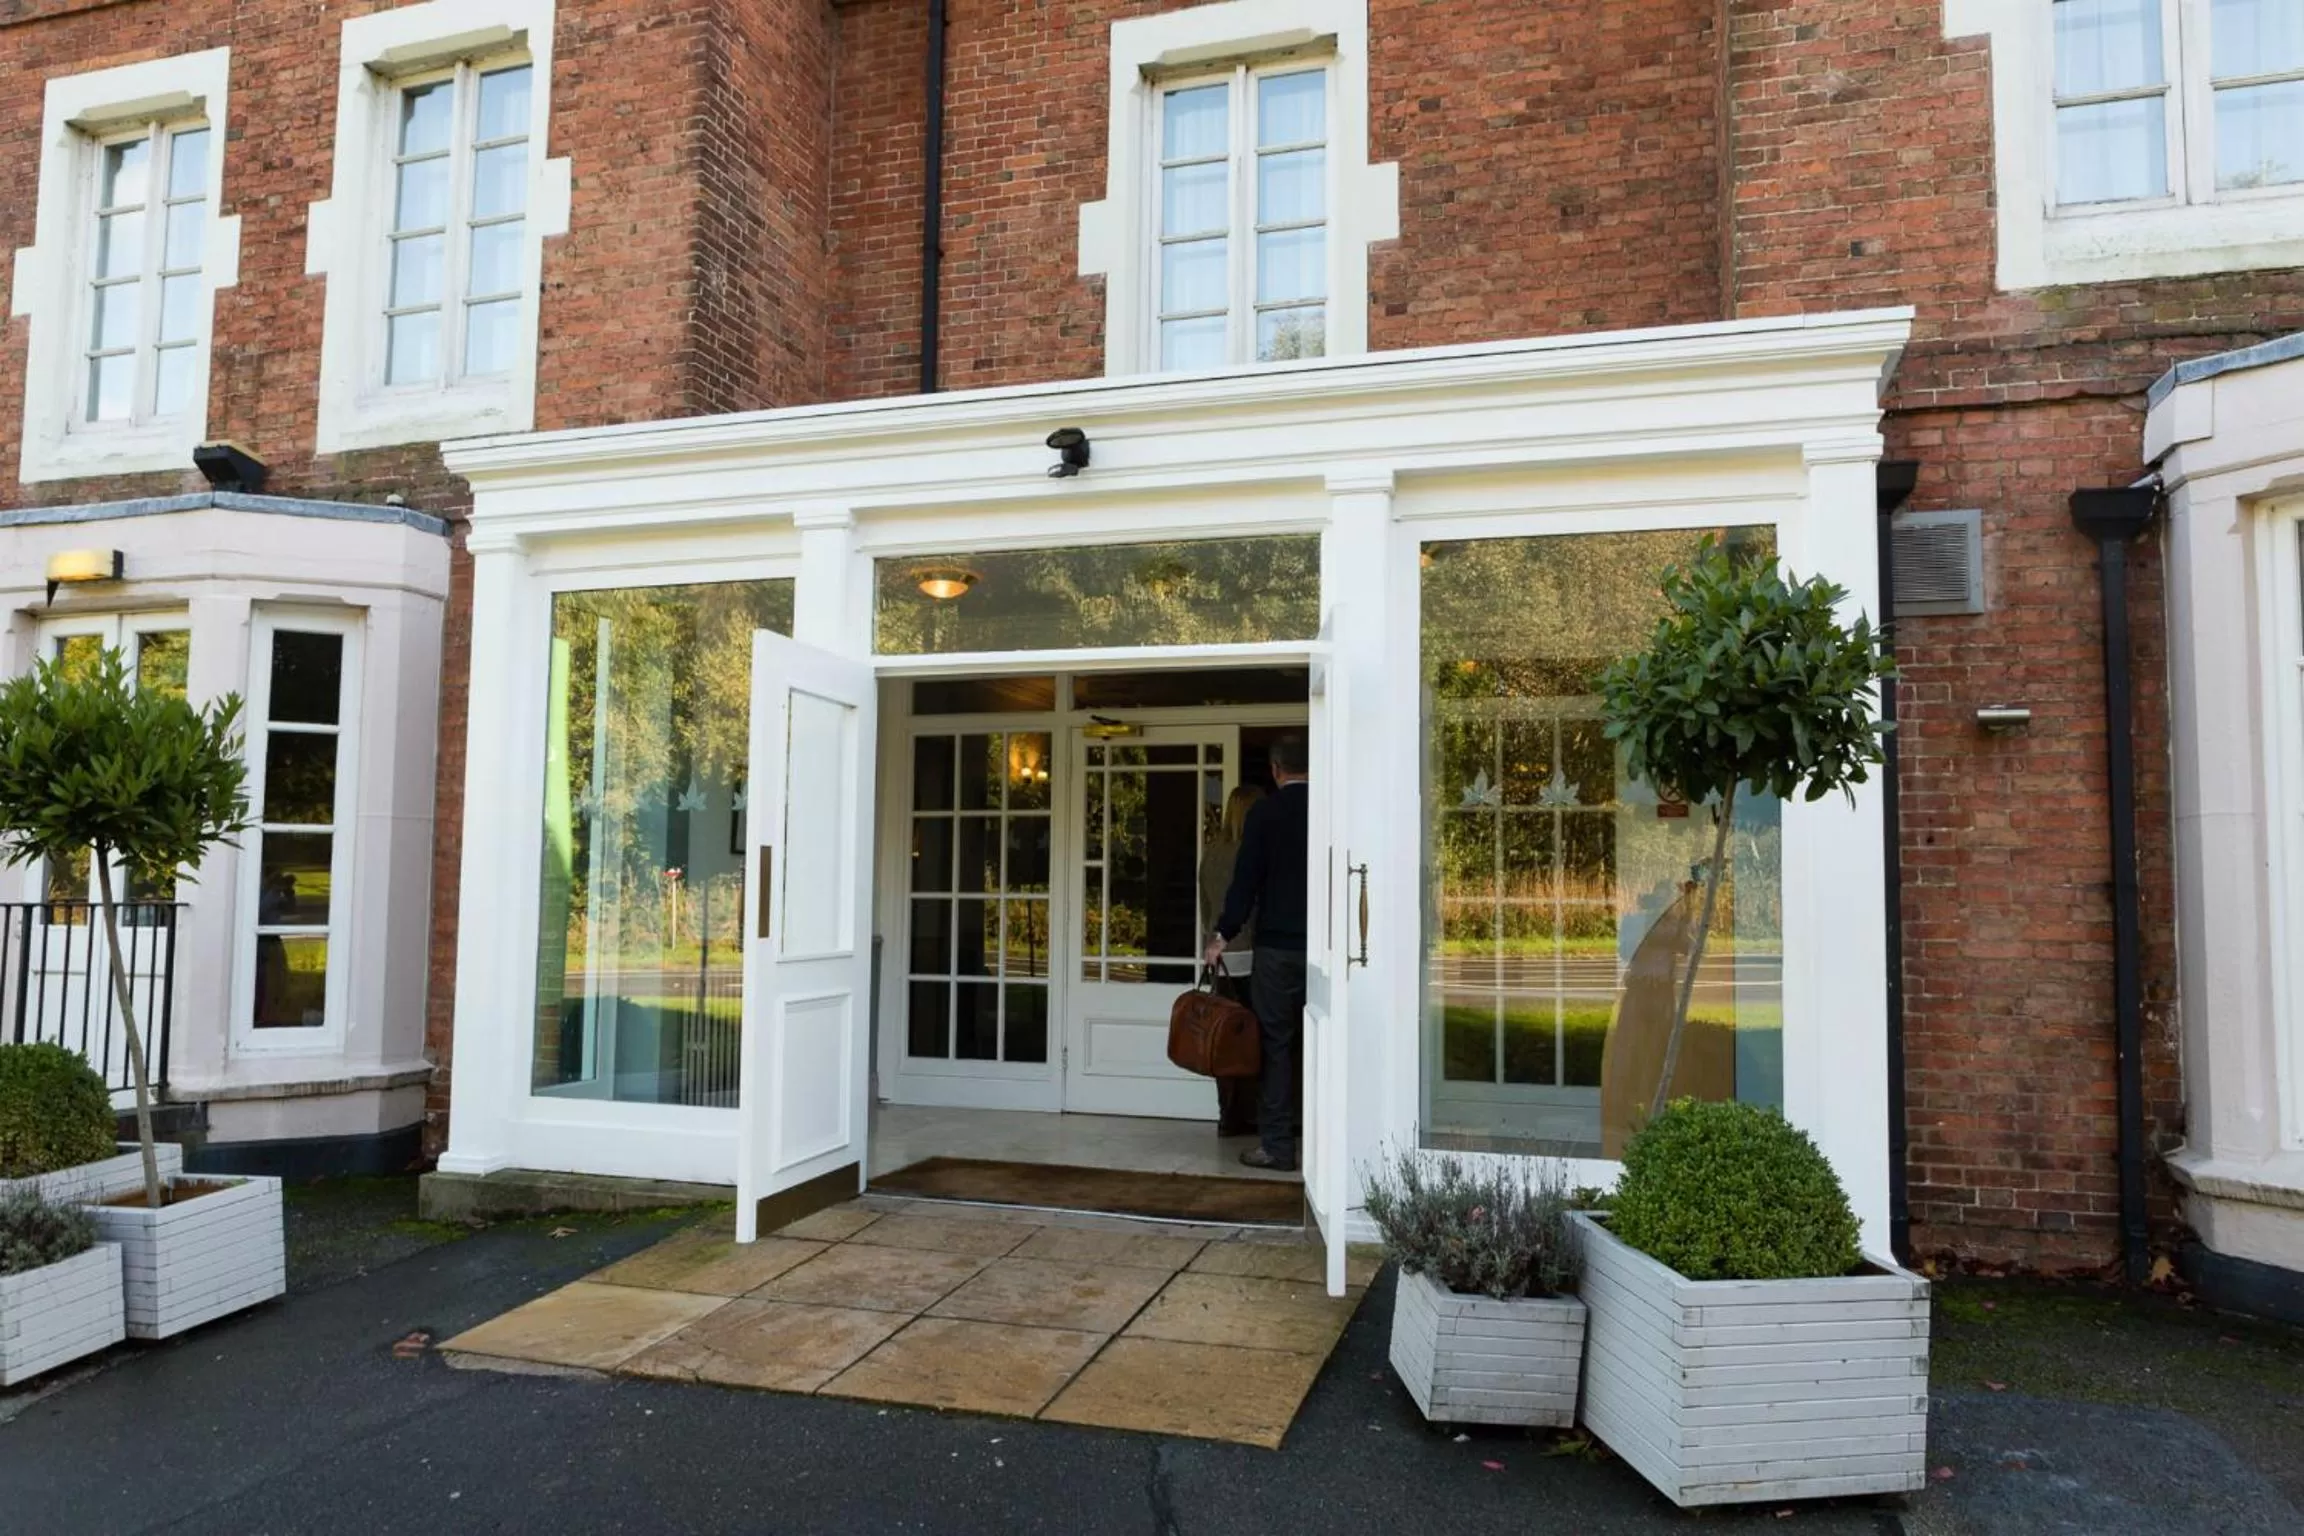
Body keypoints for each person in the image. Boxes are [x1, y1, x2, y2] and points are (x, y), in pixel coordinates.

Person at [1204, 736, 1308, 1172]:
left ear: (1275, 769)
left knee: (1276, 1045)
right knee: (1329, 1045)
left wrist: (1222, 936)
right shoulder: (1334, 807)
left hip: (1277, 950)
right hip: (1329, 948)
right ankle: (1338, 1143)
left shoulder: (1265, 814)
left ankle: (1279, 1147)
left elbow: (1243, 883)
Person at [1198, 784, 1265, 1139]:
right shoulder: (1252, 852)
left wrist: (1212, 940)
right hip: (1252, 955)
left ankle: (1228, 1114)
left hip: (1220, 958)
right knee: (1258, 1040)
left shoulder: (1213, 852)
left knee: (1224, 1042)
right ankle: (1256, 1114)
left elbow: (1205, 905)